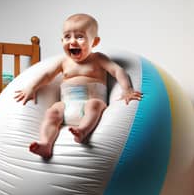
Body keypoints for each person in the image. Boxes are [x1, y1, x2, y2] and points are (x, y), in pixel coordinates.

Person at [15, 13, 142, 159]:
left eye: (80, 37)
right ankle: (46, 144)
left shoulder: (98, 59)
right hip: (67, 106)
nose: (73, 41)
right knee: (52, 112)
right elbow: (47, 75)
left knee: (95, 105)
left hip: (91, 104)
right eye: (67, 37)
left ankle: (82, 131)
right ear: (62, 40)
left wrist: (127, 89)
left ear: (94, 42)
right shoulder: (63, 62)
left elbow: (117, 70)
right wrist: (31, 88)